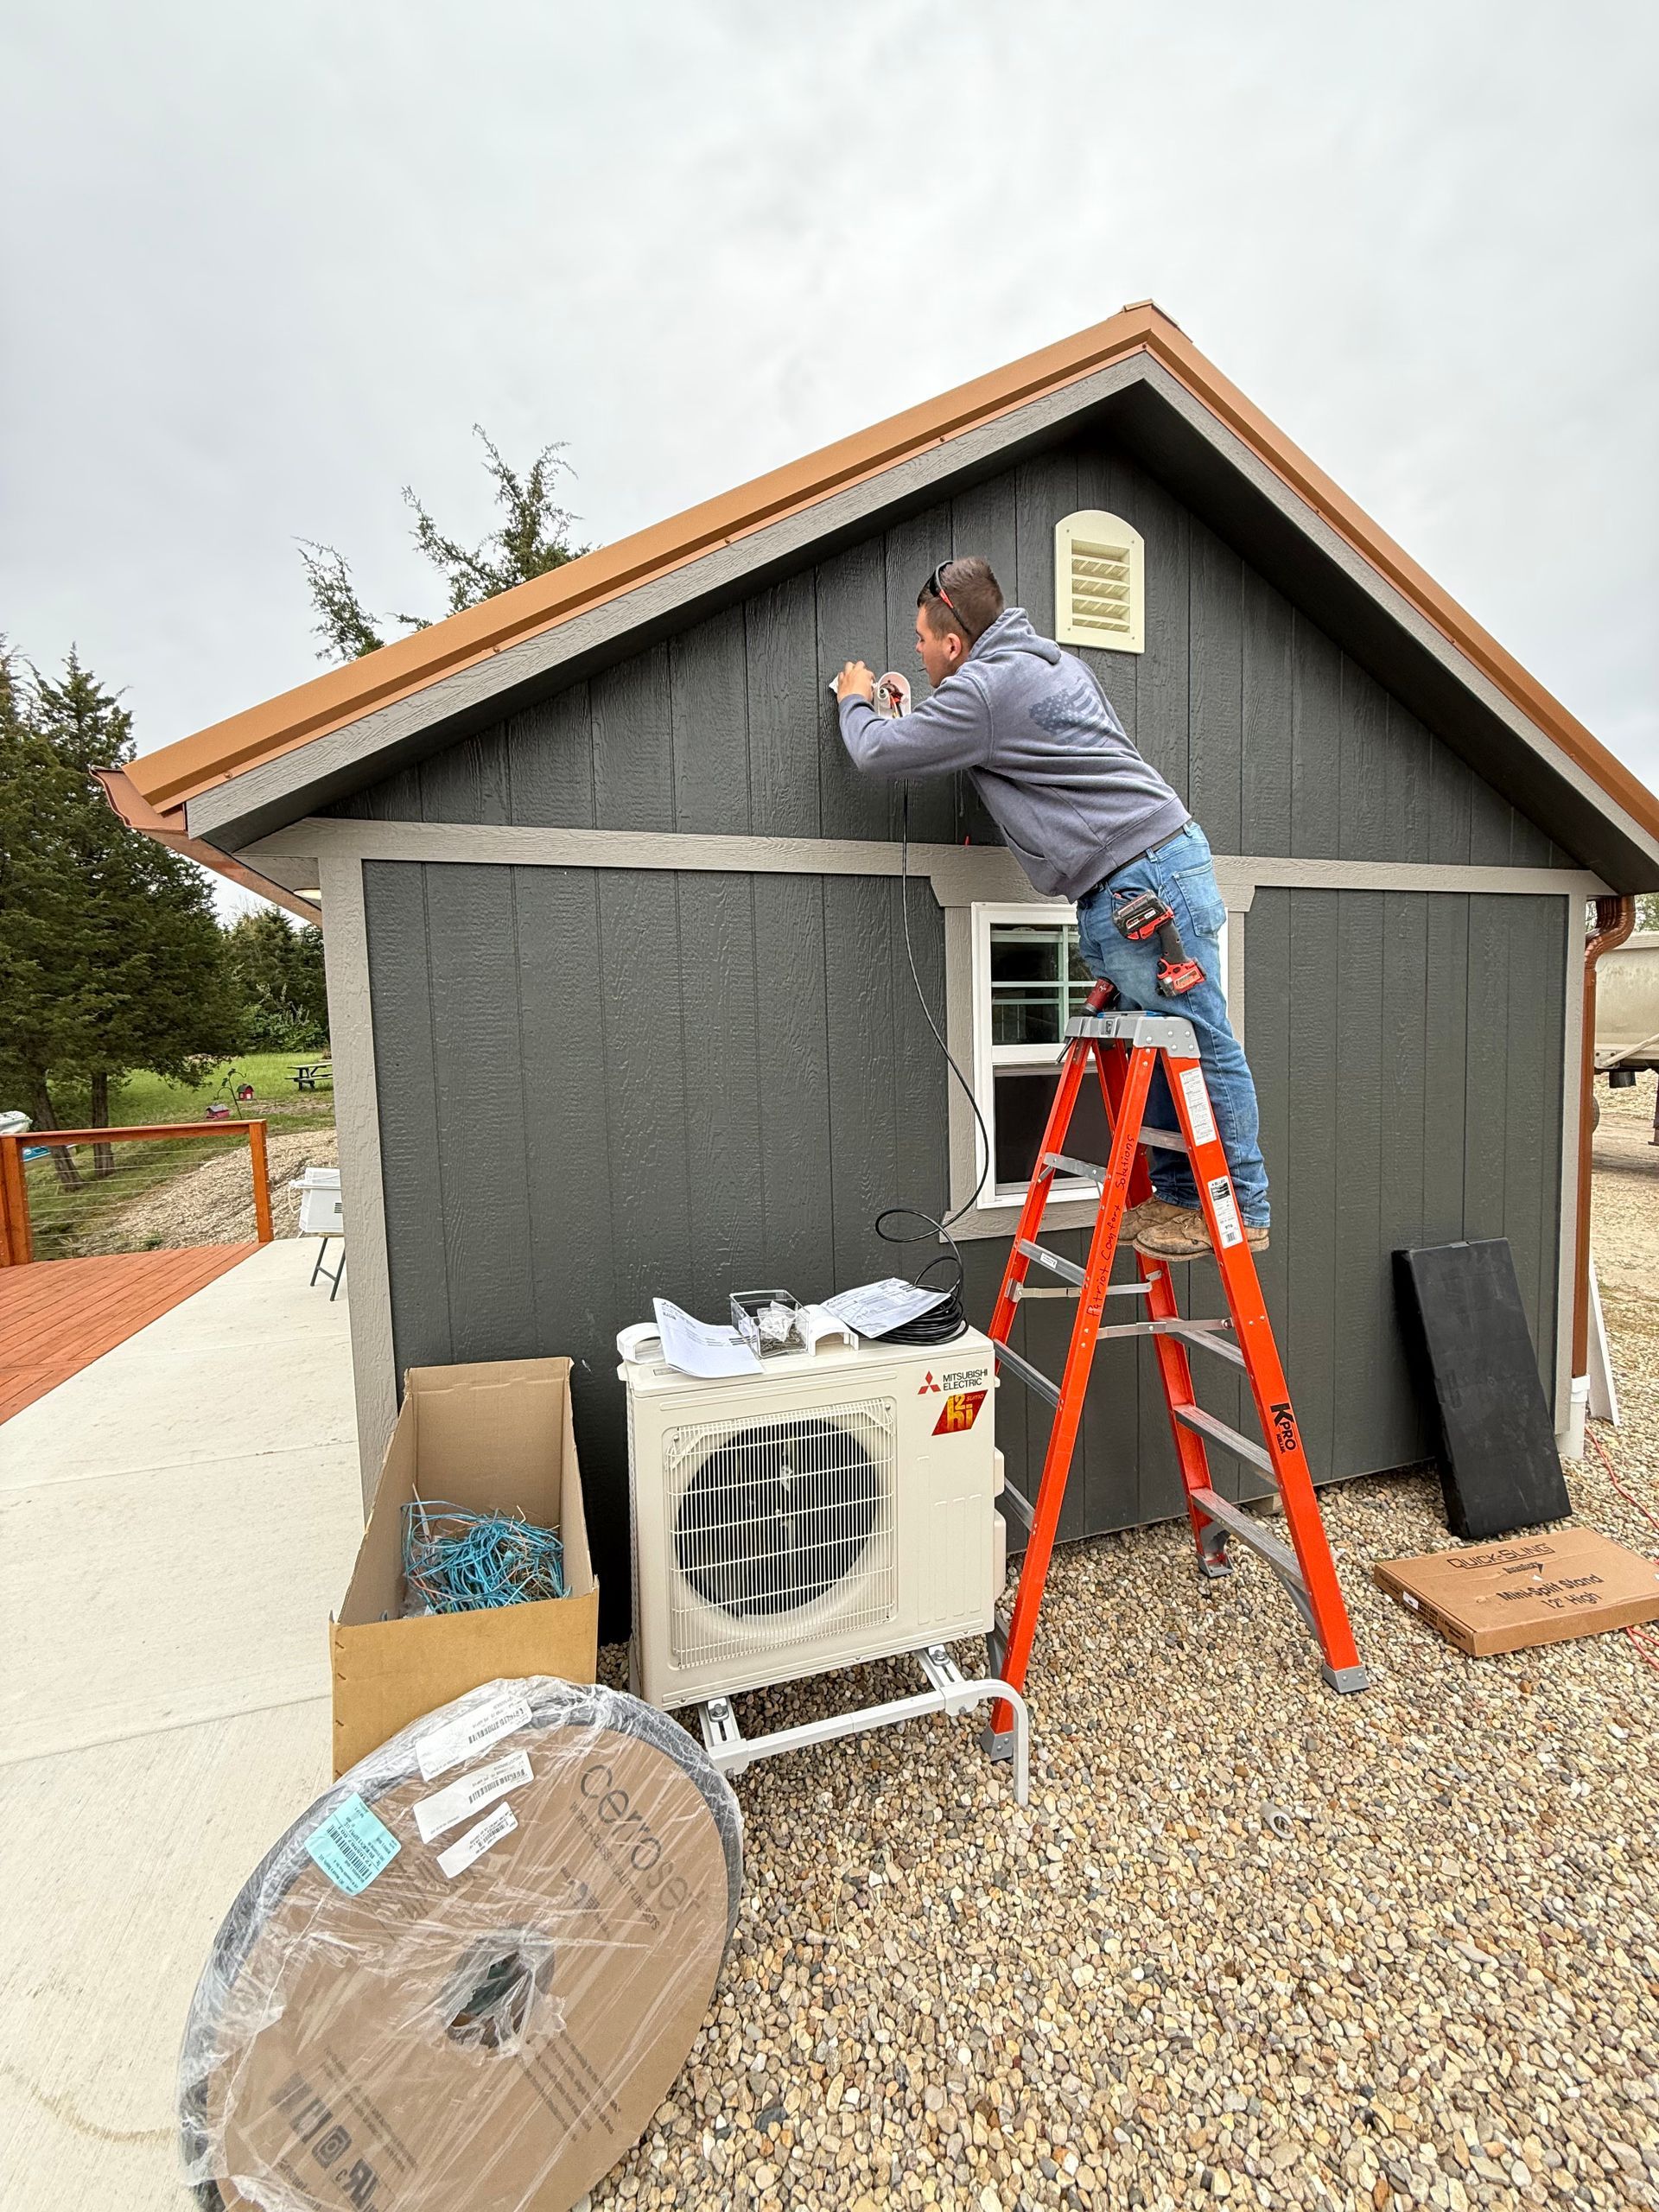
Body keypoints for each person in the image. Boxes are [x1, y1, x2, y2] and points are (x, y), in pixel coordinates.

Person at [834, 554, 1268, 1259]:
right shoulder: (1048, 664)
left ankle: (1240, 1204)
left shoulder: (981, 693)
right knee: (1164, 1041)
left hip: (1139, 881)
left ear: (954, 641)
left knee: (1199, 1034)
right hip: (1146, 867)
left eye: (921, 637)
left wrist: (855, 698)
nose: (914, 649)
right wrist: (920, 709)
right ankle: (1180, 1196)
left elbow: (879, 755)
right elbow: (997, 738)